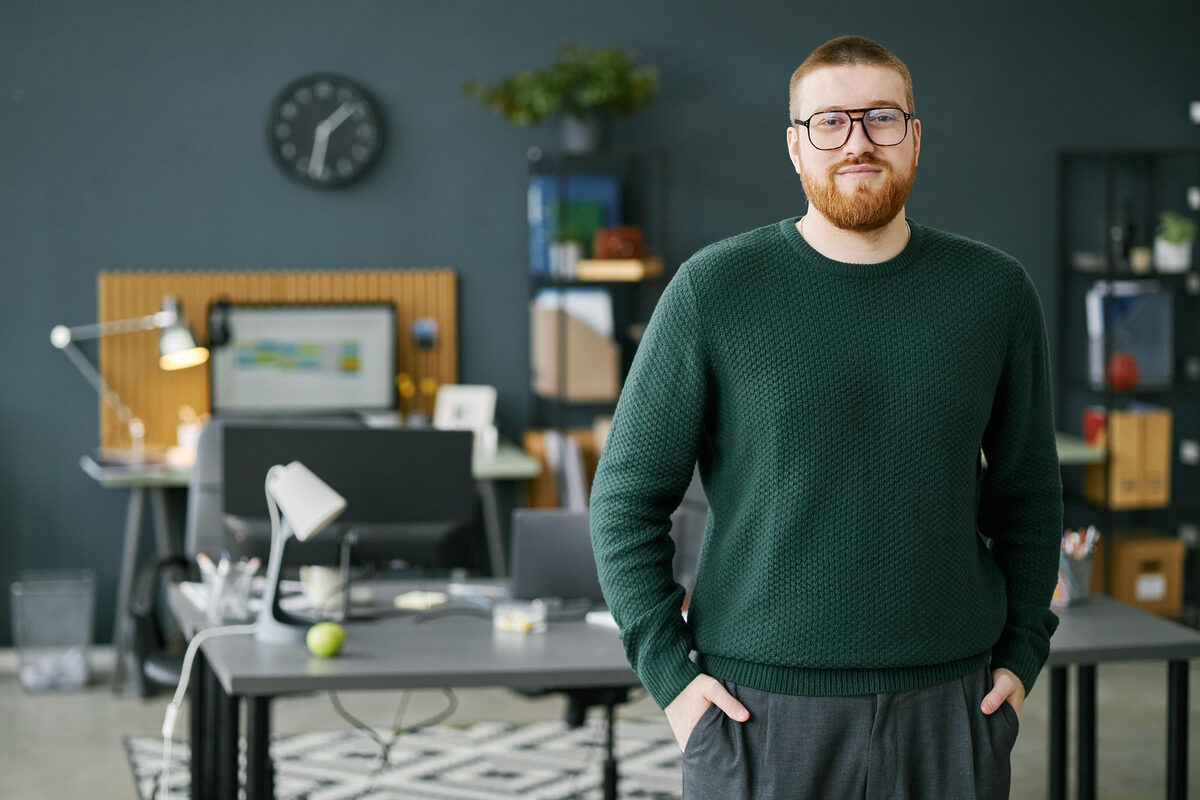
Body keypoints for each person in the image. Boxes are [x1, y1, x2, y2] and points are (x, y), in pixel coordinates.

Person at [588, 34, 1062, 800]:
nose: (858, 142)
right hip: (756, 713)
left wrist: (1022, 654)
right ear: (795, 147)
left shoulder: (995, 293)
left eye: (881, 118)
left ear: (915, 137)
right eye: (829, 123)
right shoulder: (714, 290)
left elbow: (1030, 497)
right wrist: (673, 682)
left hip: (952, 706)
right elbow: (624, 501)